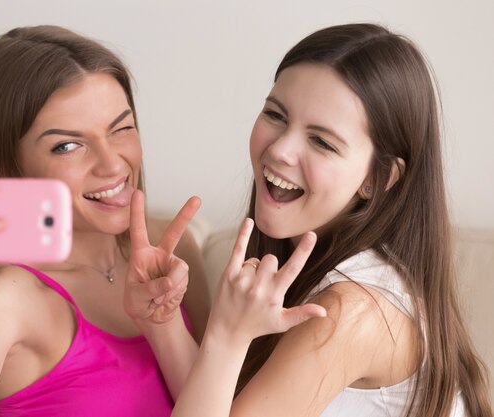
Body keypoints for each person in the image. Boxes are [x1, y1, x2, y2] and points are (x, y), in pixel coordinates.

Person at [125, 23, 493, 417]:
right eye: (276, 114)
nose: (281, 149)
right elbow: (222, 406)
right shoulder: (319, 264)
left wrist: (228, 336)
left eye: (322, 141)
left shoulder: (352, 310)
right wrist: (163, 323)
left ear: (378, 179)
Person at [0, 25, 210, 417]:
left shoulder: (174, 247)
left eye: (122, 128)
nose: (113, 163)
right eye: (67, 146)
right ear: (11, 164)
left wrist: (166, 328)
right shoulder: (12, 293)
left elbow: (214, 403)